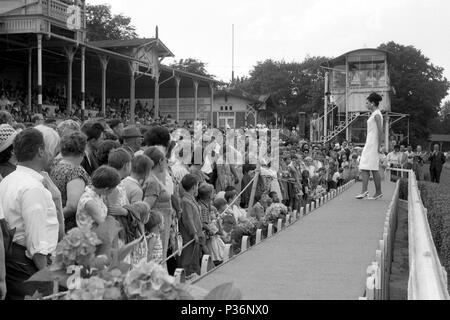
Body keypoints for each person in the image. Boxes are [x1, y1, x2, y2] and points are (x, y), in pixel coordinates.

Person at [0, 128, 59, 299]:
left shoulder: (9, 180)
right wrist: (48, 275)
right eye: (48, 149)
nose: (51, 154)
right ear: (40, 151)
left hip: (14, 261)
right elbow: (37, 245)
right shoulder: (32, 187)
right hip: (28, 266)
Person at [50, 131, 90, 232]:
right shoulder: (75, 171)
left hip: (59, 223)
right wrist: (55, 220)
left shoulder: (55, 164)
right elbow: (72, 206)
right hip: (71, 229)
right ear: (82, 150)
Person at [356, 92, 384, 200]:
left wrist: (379, 145)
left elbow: (380, 131)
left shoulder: (377, 114)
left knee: (371, 166)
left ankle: (375, 191)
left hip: (373, 143)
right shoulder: (374, 114)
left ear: (372, 103)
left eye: (367, 103)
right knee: (367, 166)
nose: (366, 104)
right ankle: (367, 191)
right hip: (370, 142)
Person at [76, 166, 121, 230]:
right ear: (106, 189)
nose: (114, 190)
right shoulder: (89, 202)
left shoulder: (99, 194)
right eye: (113, 188)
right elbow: (104, 225)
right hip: (90, 237)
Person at [178, 174, 202, 278]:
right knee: (188, 255)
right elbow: (189, 219)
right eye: (197, 185)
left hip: (195, 233)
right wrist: (194, 233)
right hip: (189, 235)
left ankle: (193, 274)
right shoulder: (185, 201)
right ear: (193, 187)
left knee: (194, 256)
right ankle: (186, 275)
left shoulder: (191, 199)